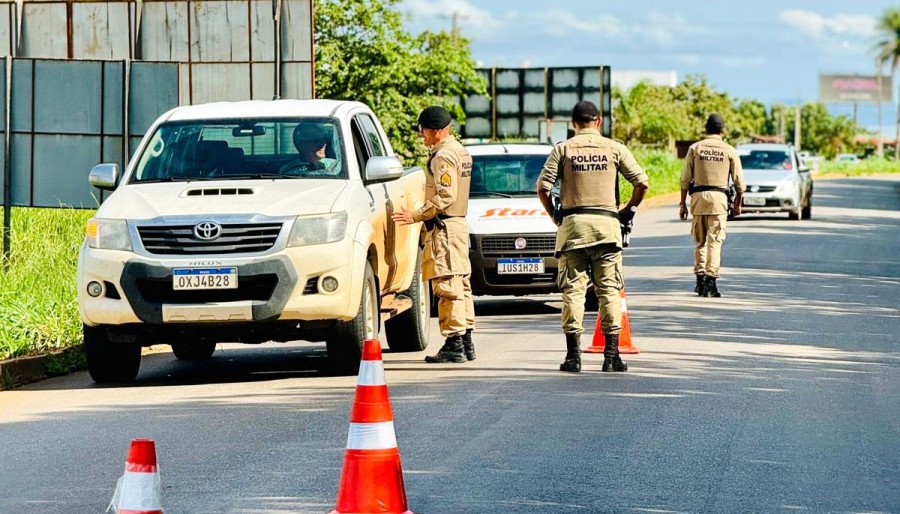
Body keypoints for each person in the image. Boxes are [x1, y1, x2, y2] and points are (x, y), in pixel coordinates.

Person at [536, 100, 649, 373]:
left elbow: (543, 186)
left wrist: (555, 215)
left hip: (573, 228)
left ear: (573, 123)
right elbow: (642, 182)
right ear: (598, 122)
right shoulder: (615, 148)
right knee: (609, 291)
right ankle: (611, 356)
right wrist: (627, 210)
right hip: (607, 228)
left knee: (573, 292)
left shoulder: (563, 149)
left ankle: (573, 357)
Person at [392, 106, 476, 363]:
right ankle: (467, 340)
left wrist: (417, 215)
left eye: (424, 130)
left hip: (445, 228)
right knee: (461, 284)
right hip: (458, 226)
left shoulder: (443, 156)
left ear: (437, 131)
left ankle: (454, 343)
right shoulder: (461, 151)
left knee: (447, 285)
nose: (422, 136)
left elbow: (446, 195)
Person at [679, 113, 745, 298]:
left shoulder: (695, 148)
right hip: (719, 200)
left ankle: (700, 280)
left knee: (699, 241)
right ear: (723, 130)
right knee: (715, 241)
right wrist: (738, 204)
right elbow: (739, 182)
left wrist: (682, 204)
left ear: (706, 129)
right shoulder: (729, 150)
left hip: (698, 198)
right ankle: (711, 282)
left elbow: (685, 179)